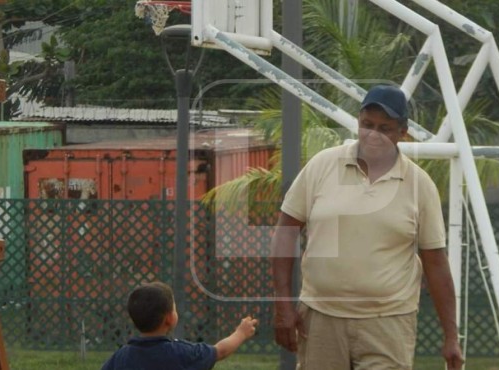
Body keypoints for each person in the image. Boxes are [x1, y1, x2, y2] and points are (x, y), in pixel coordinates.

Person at [271, 85, 464, 369]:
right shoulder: (322, 165)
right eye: (367, 125)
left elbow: (436, 264)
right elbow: (284, 234)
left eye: (385, 128)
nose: (373, 135)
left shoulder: (419, 185)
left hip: (388, 323)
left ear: (403, 133)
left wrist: (451, 336)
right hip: (321, 318)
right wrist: (282, 304)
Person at [101, 281, 258, 370]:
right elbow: (220, 351)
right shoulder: (182, 353)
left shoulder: (121, 357)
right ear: (169, 319)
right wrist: (241, 333)